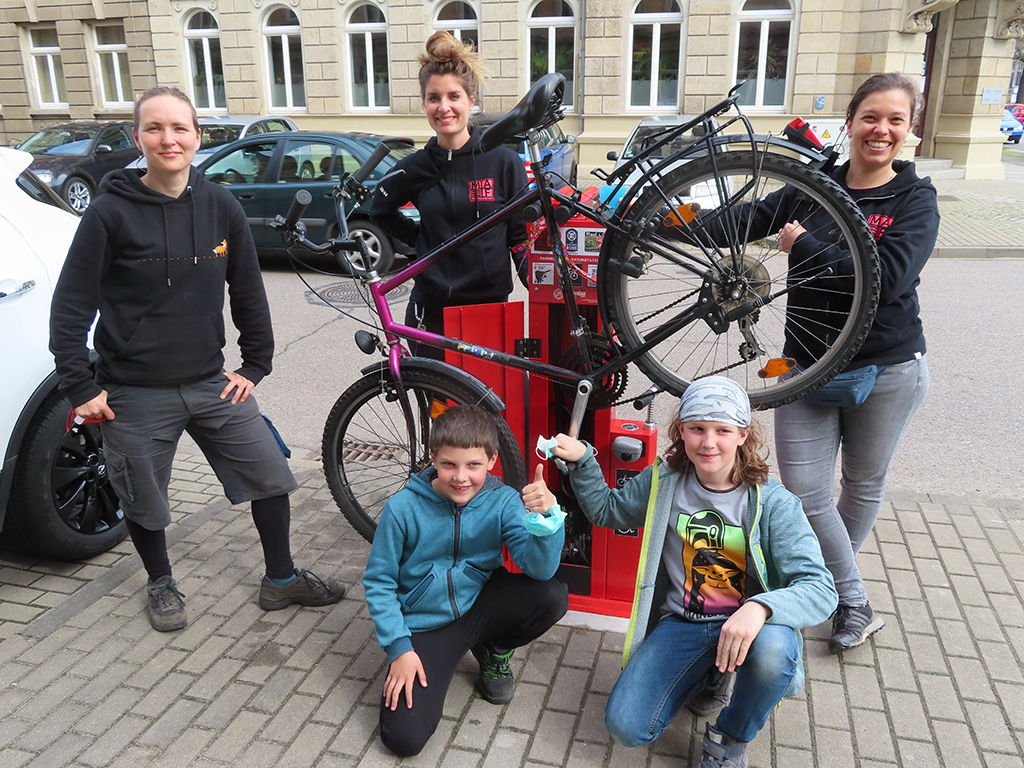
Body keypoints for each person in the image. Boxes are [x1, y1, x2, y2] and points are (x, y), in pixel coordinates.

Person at [49, 86, 346, 633]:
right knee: (143, 499)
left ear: (197, 137)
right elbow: (69, 307)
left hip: (212, 382)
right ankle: (160, 581)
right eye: (155, 128)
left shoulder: (220, 206)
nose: (169, 139)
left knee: (271, 476)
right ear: (138, 137)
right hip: (133, 392)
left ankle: (280, 579)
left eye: (179, 128)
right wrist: (79, 386)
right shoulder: (109, 214)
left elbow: (249, 293)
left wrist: (254, 366)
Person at [547, 377, 837, 768]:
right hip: (683, 622)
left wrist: (760, 609)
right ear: (681, 430)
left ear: (742, 435)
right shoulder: (664, 481)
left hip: (749, 628)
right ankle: (709, 676)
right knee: (626, 726)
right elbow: (609, 512)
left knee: (773, 654)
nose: (708, 442)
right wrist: (583, 460)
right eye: (697, 428)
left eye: (722, 430)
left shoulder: (774, 504)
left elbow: (821, 589)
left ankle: (730, 737)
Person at [772, 73, 936, 653]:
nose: (881, 129)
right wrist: (668, 220)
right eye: (871, 116)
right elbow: (744, 222)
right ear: (850, 120)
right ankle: (854, 599)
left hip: (888, 367)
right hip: (808, 366)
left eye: (895, 119)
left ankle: (828, 592)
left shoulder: (916, 199)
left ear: (909, 128)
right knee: (803, 489)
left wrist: (806, 248)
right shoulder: (812, 186)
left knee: (862, 486)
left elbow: (886, 280)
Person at [363, 405, 568, 757]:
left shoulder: (503, 501)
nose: (461, 477)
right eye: (449, 464)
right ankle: (454, 651)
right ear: (432, 459)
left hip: (479, 605)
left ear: (491, 461)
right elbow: (379, 582)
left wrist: (547, 520)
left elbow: (538, 569)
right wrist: (399, 648)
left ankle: (494, 650)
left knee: (552, 596)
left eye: (473, 465)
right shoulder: (402, 508)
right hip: (427, 626)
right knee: (404, 739)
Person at [370, 31, 529, 360]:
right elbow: (379, 211)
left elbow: (519, 237)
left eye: (453, 96)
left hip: (489, 312)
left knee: (490, 411)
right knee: (438, 410)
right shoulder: (414, 168)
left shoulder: (503, 162)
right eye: (433, 98)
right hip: (431, 313)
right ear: (424, 103)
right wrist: (424, 240)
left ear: (471, 100)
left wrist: (544, 293)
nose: (444, 108)